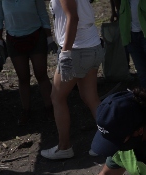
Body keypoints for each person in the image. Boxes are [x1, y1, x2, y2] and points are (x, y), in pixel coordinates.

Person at [40, 0, 105, 160]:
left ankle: (64, 147)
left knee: (57, 97)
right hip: (92, 46)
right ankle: (109, 140)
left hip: (77, 50)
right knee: (90, 97)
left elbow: (73, 18)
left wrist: (65, 52)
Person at [0, 0, 54, 125]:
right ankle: (26, 110)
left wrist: (49, 38)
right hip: (14, 39)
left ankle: (50, 108)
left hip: (36, 36)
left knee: (41, 74)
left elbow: (43, 13)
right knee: (23, 77)